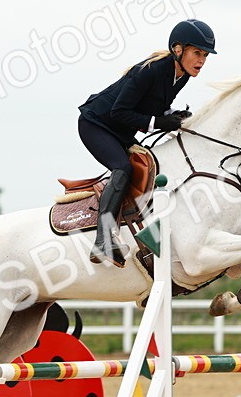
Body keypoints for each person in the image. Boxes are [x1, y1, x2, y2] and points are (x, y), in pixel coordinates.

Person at [77, 18, 217, 266]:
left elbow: (154, 105)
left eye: (205, 55)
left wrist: (173, 115)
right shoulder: (150, 70)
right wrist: (160, 122)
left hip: (119, 131)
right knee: (123, 168)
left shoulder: (181, 76)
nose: (202, 61)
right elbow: (119, 112)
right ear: (178, 49)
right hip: (96, 124)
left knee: (148, 163)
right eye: (197, 53)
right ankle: (102, 239)